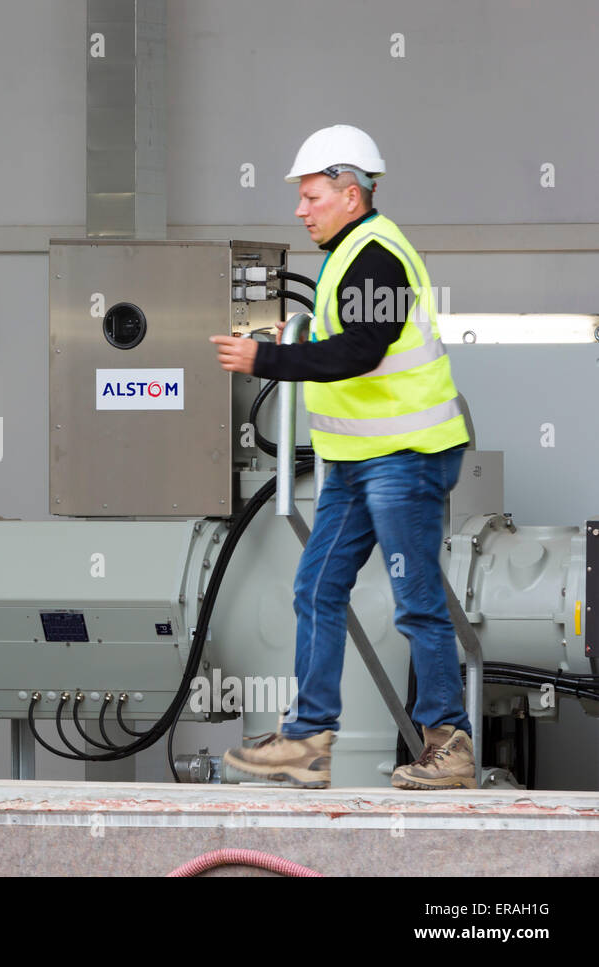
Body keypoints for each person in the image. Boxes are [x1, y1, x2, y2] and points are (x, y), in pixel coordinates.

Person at [208, 124, 475, 790]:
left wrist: (267, 358)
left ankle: (450, 744)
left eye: (312, 195)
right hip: (358, 462)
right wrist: (290, 339)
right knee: (316, 589)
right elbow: (347, 342)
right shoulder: (347, 254)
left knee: (415, 602)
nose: (301, 209)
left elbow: (362, 351)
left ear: (350, 193)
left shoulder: (377, 255)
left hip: (405, 459)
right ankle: (306, 741)